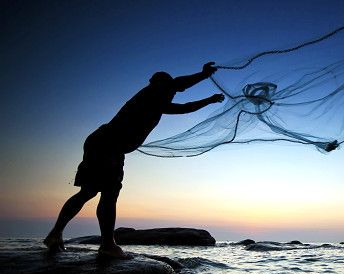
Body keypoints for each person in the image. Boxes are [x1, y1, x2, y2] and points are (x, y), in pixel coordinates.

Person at [43, 62, 225, 257]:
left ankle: (59, 234)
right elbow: (181, 92)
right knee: (106, 193)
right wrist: (205, 81)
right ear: (157, 84)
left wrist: (206, 89)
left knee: (90, 192)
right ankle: (105, 244)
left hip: (104, 143)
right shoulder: (152, 95)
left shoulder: (156, 99)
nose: (173, 91)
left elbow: (181, 97)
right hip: (108, 144)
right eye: (169, 87)